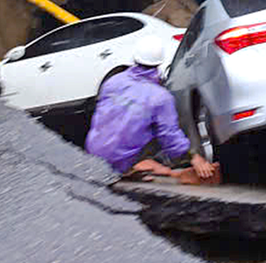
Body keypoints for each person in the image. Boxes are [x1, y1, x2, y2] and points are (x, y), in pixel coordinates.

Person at [85, 36, 218, 182]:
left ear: (135, 57)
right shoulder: (160, 97)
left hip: (93, 153)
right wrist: (194, 157)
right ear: (159, 62)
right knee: (161, 133)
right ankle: (167, 172)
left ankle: (136, 168)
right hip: (121, 159)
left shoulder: (113, 81)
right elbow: (170, 135)